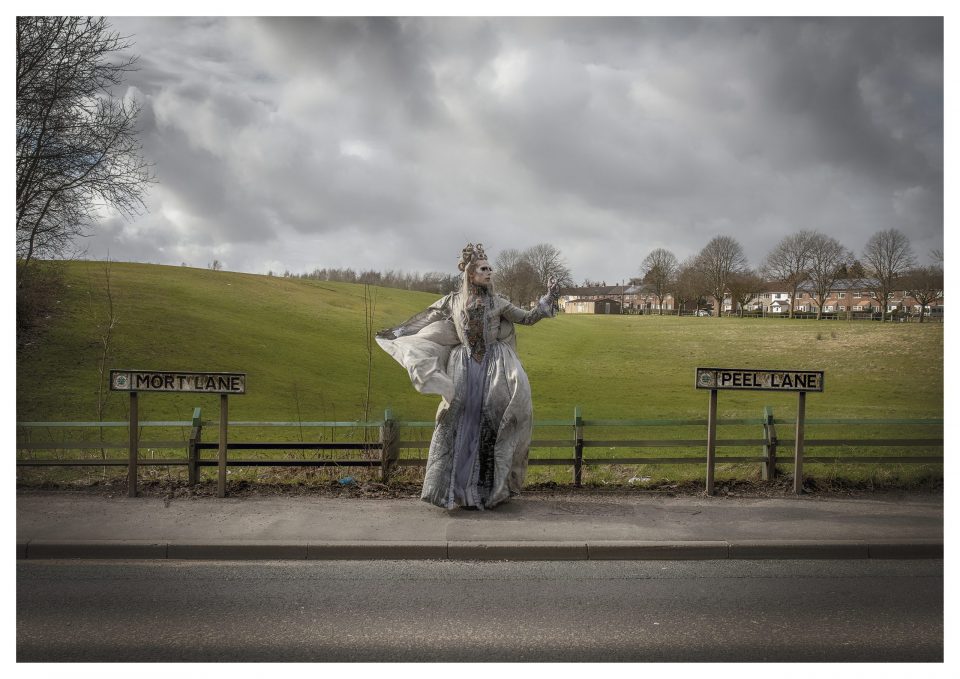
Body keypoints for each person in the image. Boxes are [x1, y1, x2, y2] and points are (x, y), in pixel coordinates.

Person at [376, 243, 560, 510]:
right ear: (471, 274)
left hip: (493, 369)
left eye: (490, 268)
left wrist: (548, 299)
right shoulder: (452, 301)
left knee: (490, 422)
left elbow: (528, 318)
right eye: (484, 269)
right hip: (462, 367)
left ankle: (486, 492)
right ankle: (454, 492)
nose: (490, 272)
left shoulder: (498, 303)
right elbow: (425, 319)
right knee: (456, 421)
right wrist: (398, 332)